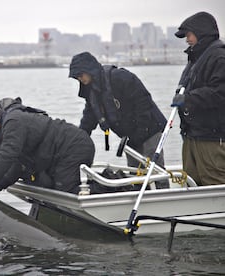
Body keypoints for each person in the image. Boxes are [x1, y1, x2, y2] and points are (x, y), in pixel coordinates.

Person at [69, 51, 169, 188]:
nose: (80, 79)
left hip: (150, 128)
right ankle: (141, 200)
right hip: (130, 135)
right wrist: (79, 137)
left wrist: (142, 129)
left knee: (156, 169)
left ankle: (163, 197)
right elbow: (89, 118)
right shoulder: (91, 92)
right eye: (77, 77)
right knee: (135, 172)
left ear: (89, 70)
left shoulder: (119, 77)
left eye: (80, 75)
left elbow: (143, 101)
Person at [0, 101, 95, 195]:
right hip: (63, 151)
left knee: (66, 191)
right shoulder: (10, 127)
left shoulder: (13, 122)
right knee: (55, 188)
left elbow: (6, 156)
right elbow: (16, 168)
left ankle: (108, 190)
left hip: (74, 147)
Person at [170, 11, 225, 185]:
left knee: (213, 181)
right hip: (192, 135)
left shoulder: (219, 56)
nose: (187, 39)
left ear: (201, 33)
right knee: (190, 182)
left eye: (189, 34)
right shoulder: (196, 57)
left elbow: (220, 93)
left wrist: (188, 99)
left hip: (211, 137)